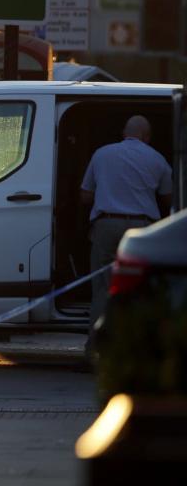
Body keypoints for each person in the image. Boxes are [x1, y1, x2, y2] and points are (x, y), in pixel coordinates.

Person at [80, 115, 173, 360]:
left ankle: (95, 352)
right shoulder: (158, 159)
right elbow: (169, 199)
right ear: (147, 136)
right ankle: (135, 353)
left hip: (107, 225)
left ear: (124, 132)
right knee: (139, 290)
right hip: (143, 230)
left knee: (103, 289)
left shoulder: (101, 154)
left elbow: (85, 196)